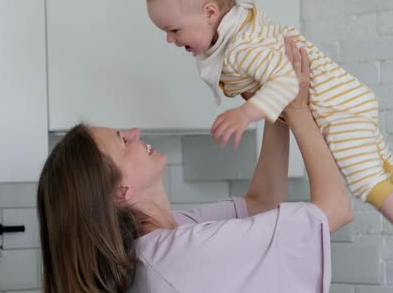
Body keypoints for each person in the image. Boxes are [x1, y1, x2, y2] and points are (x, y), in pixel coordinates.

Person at [145, 0, 393, 285]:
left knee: (365, 181)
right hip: (348, 99)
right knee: (384, 166)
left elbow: (287, 82)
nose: (170, 40)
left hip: (336, 107)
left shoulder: (241, 49)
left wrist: (246, 113)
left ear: (210, 12)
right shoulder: (238, 31)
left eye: (174, 30)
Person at [37, 38, 353, 293]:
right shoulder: (182, 253)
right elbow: (336, 209)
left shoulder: (162, 238)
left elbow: (261, 203)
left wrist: (273, 105)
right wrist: (298, 111)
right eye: (122, 140)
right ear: (122, 191)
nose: (134, 132)